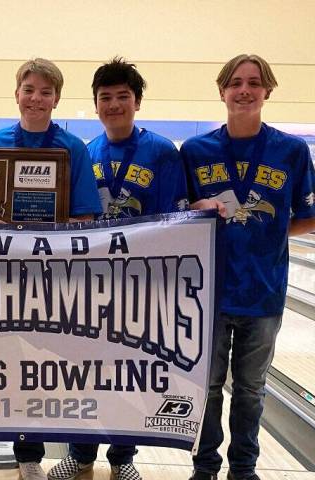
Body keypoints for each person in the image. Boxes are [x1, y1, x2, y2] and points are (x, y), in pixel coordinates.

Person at [0, 58, 101, 480]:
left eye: (45, 91)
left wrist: (43, 226)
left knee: (34, 366)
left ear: (56, 99)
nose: (36, 98)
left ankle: (29, 455)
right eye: (29, 89)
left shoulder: (73, 149)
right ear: (17, 94)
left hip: (47, 278)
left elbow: (85, 218)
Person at [46, 57, 189, 480]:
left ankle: (123, 457)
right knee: (86, 370)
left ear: (137, 101)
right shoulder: (85, 152)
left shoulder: (161, 152)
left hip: (141, 284)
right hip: (91, 284)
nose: (113, 104)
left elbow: (173, 220)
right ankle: (81, 453)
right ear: (95, 105)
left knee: (130, 372)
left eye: (122, 96)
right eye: (104, 98)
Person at [182, 54, 315, 480]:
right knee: (207, 389)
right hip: (208, 293)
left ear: (267, 91)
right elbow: (177, 213)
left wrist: (275, 234)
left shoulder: (291, 151)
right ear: (222, 91)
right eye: (236, 82)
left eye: (254, 83)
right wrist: (197, 208)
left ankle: (244, 470)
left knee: (251, 391)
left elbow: (309, 214)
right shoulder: (196, 151)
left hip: (265, 291)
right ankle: (204, 468)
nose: (244, 90)